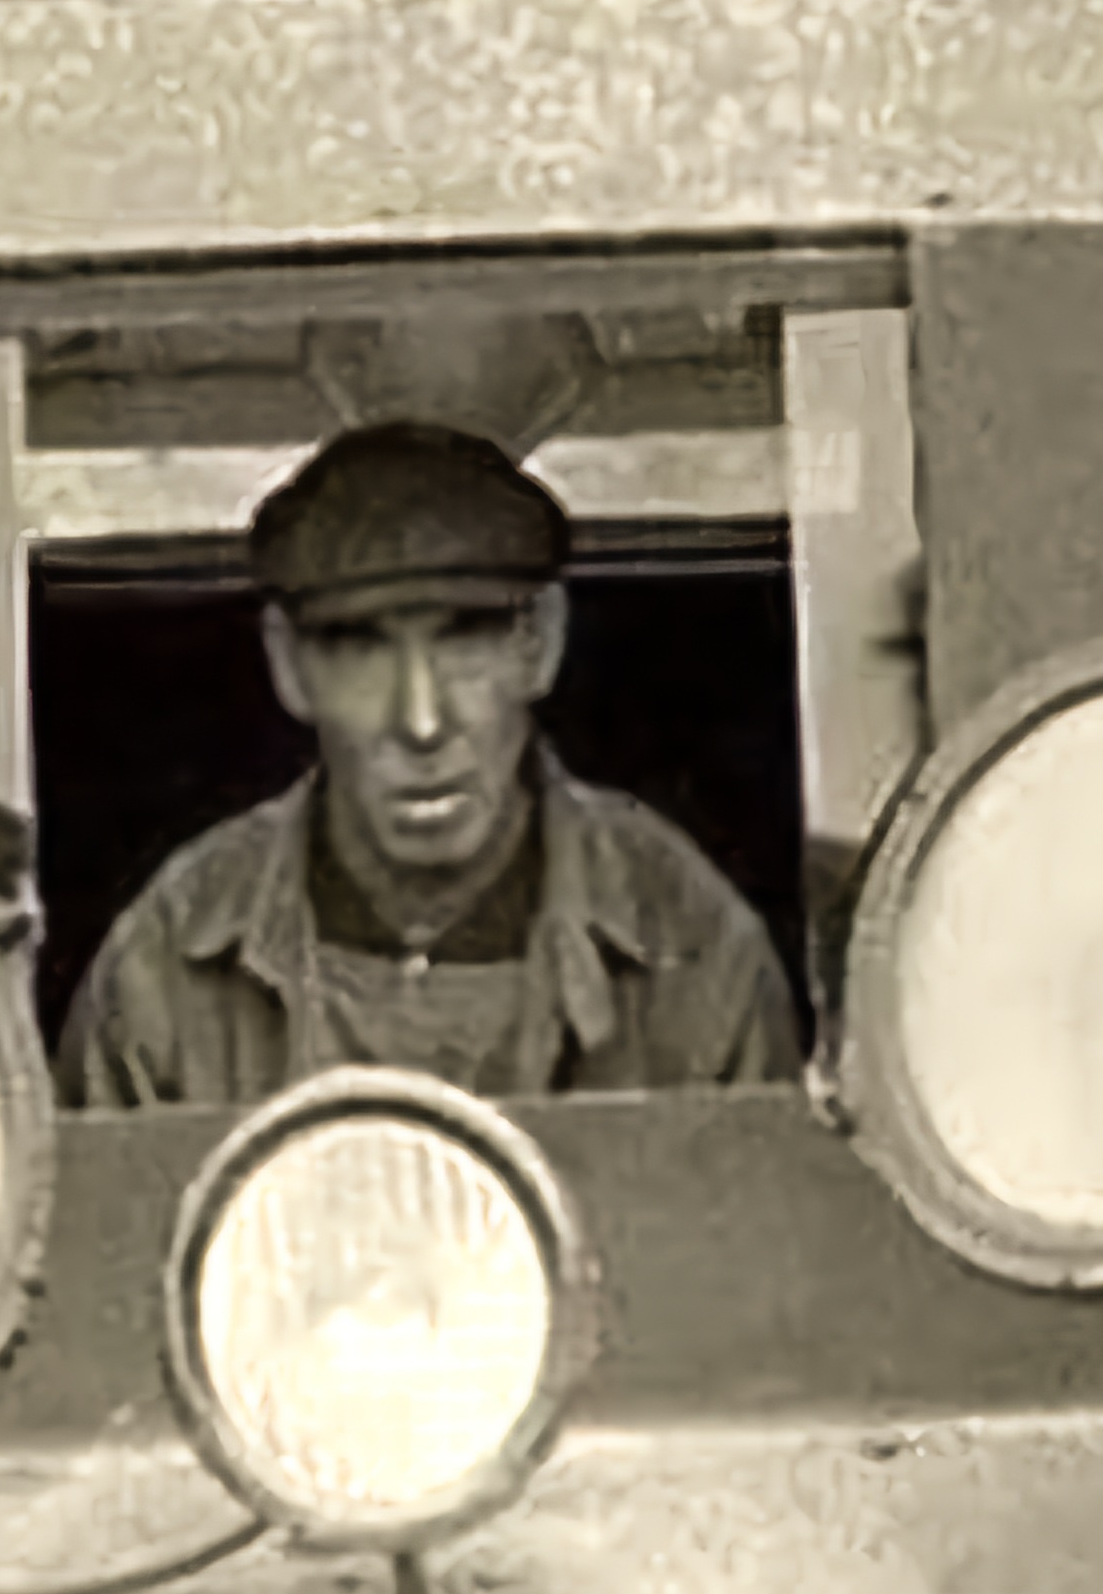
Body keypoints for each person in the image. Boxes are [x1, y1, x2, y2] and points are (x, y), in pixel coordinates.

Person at [58, 421, 802, 1109]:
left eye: (466, 638)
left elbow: (758, 1240)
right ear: (287, 665)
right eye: (360, 646)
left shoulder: (688, 942)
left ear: (541, 641)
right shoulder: (170, 958)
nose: (421, 720)